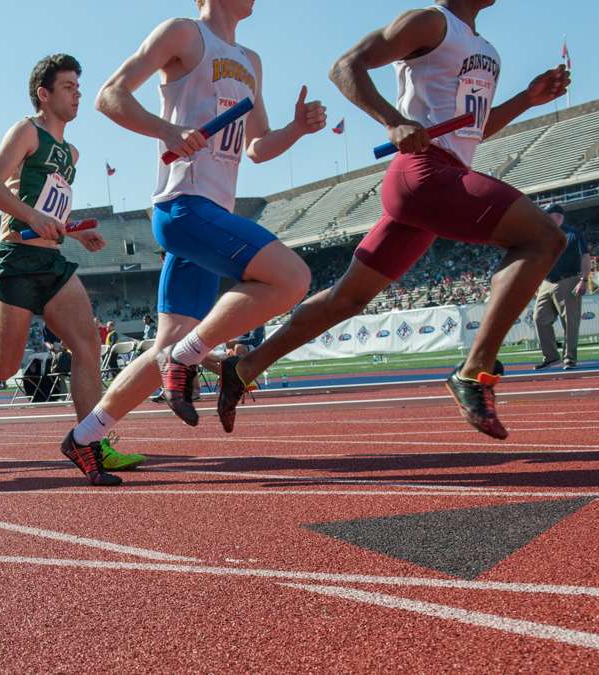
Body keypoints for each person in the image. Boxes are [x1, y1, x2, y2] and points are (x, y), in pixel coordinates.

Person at [218, 0, 571, 440]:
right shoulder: (430, 20)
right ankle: (475, 369)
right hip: (423, 173)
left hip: (445, 177)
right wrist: (394, 121)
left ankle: (245, 367)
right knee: (543, 238)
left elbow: (473, 130)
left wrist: (527, 99)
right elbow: (345, 66)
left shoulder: (487, 50)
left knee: (346, 300)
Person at [61, 0, 324, 462]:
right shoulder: (183, 33)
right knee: (293, 278)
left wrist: (297, 130)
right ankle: (188, 357)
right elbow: (110, 95)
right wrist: (168, 130)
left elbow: (257, 147)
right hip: (183, 207)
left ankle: (84, 438)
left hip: (211, 215)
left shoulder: (251, 61)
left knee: (165, 344)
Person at [0, 53, 145, 485]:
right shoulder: (27, 131)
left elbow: (51, 209)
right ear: (44, 93)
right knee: (3, 367)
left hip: (52, 260)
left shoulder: (71, 152)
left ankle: (91, 442)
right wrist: (31, 217)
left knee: (87, 345)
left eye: (79, 86)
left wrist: (74, 233)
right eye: (68, 87)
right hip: (16, 261)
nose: (77, 94)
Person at [534, 204, 590, 370]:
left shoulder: (573, 234)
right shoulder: (541, 235)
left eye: (548, 215)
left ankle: (570, 358)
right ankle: (551, 357)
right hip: (547, 281)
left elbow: (585, 257)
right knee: (540, 318)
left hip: (569, 279)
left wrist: (584, 279)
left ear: (558, 217)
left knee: (570, 322)